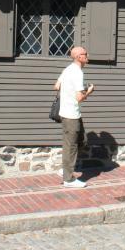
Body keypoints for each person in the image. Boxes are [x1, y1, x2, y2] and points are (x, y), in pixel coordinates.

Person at [53, 45, 94, 188]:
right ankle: (68, 179)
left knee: (82, 140)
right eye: (85, 53)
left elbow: (56, 86)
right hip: (71, 115)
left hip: (67, 113)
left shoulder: (67, 69)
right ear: (78, 57)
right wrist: (89, 91)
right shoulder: (77, 72)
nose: (87, 55)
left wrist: (68, 89)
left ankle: (65, 168)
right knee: (71, 146)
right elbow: (79, 98)